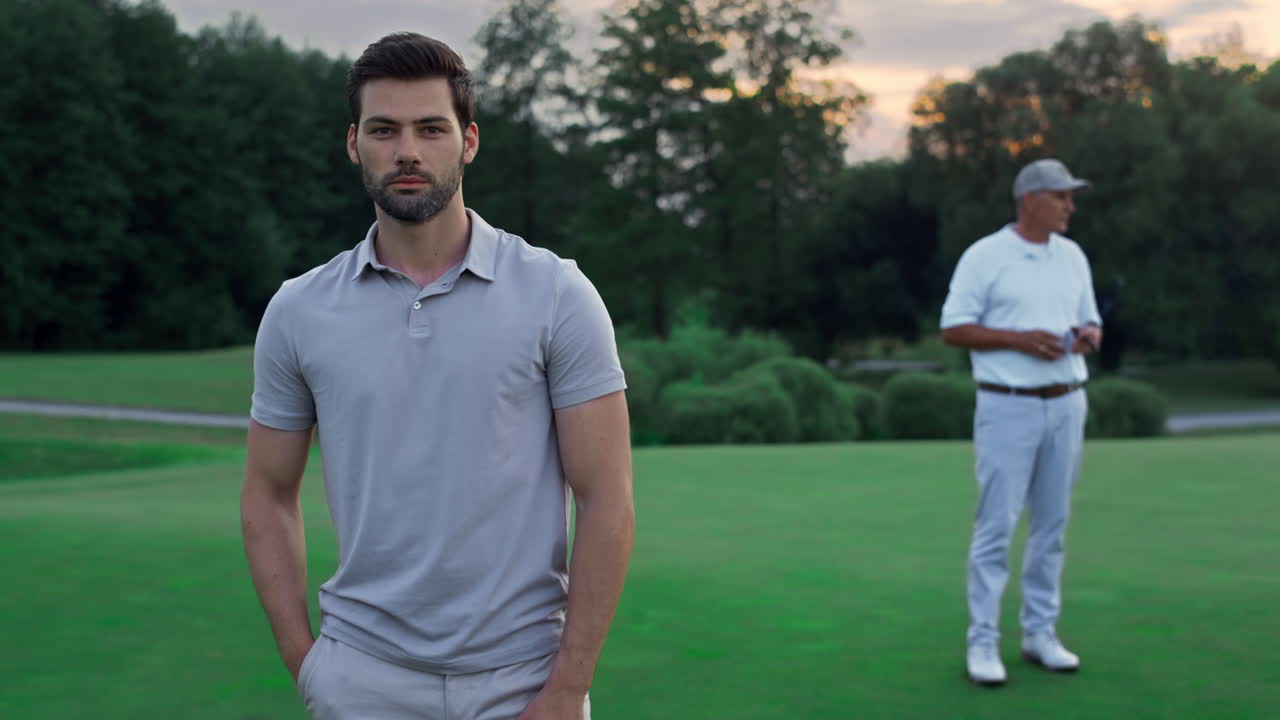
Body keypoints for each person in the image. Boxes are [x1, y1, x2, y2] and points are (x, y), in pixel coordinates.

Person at [240, 32, 634, 719]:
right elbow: (268, 493)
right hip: (361, 682)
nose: (408, 151)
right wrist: (307, 663)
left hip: (521, 680)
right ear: (354, 143)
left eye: (430, 128)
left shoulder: (556, 294)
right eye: (383, 130)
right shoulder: (299, 310)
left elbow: (606, 499)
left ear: (468, 140)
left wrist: (568, 686)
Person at [940, 158, 1103, 686]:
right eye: (1061, 197)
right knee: (996, 526)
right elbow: (954, 328)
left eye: (1071, 197)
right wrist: (1019, 341)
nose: (1070, 207)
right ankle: (983, 642)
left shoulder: (1072, 256)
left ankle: (1040, 633)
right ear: (1030, 200)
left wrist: (1088, 336)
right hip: (1007, 404)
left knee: (1052, 525)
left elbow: (1091, 319)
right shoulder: (985, 256)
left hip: (1067, 400)